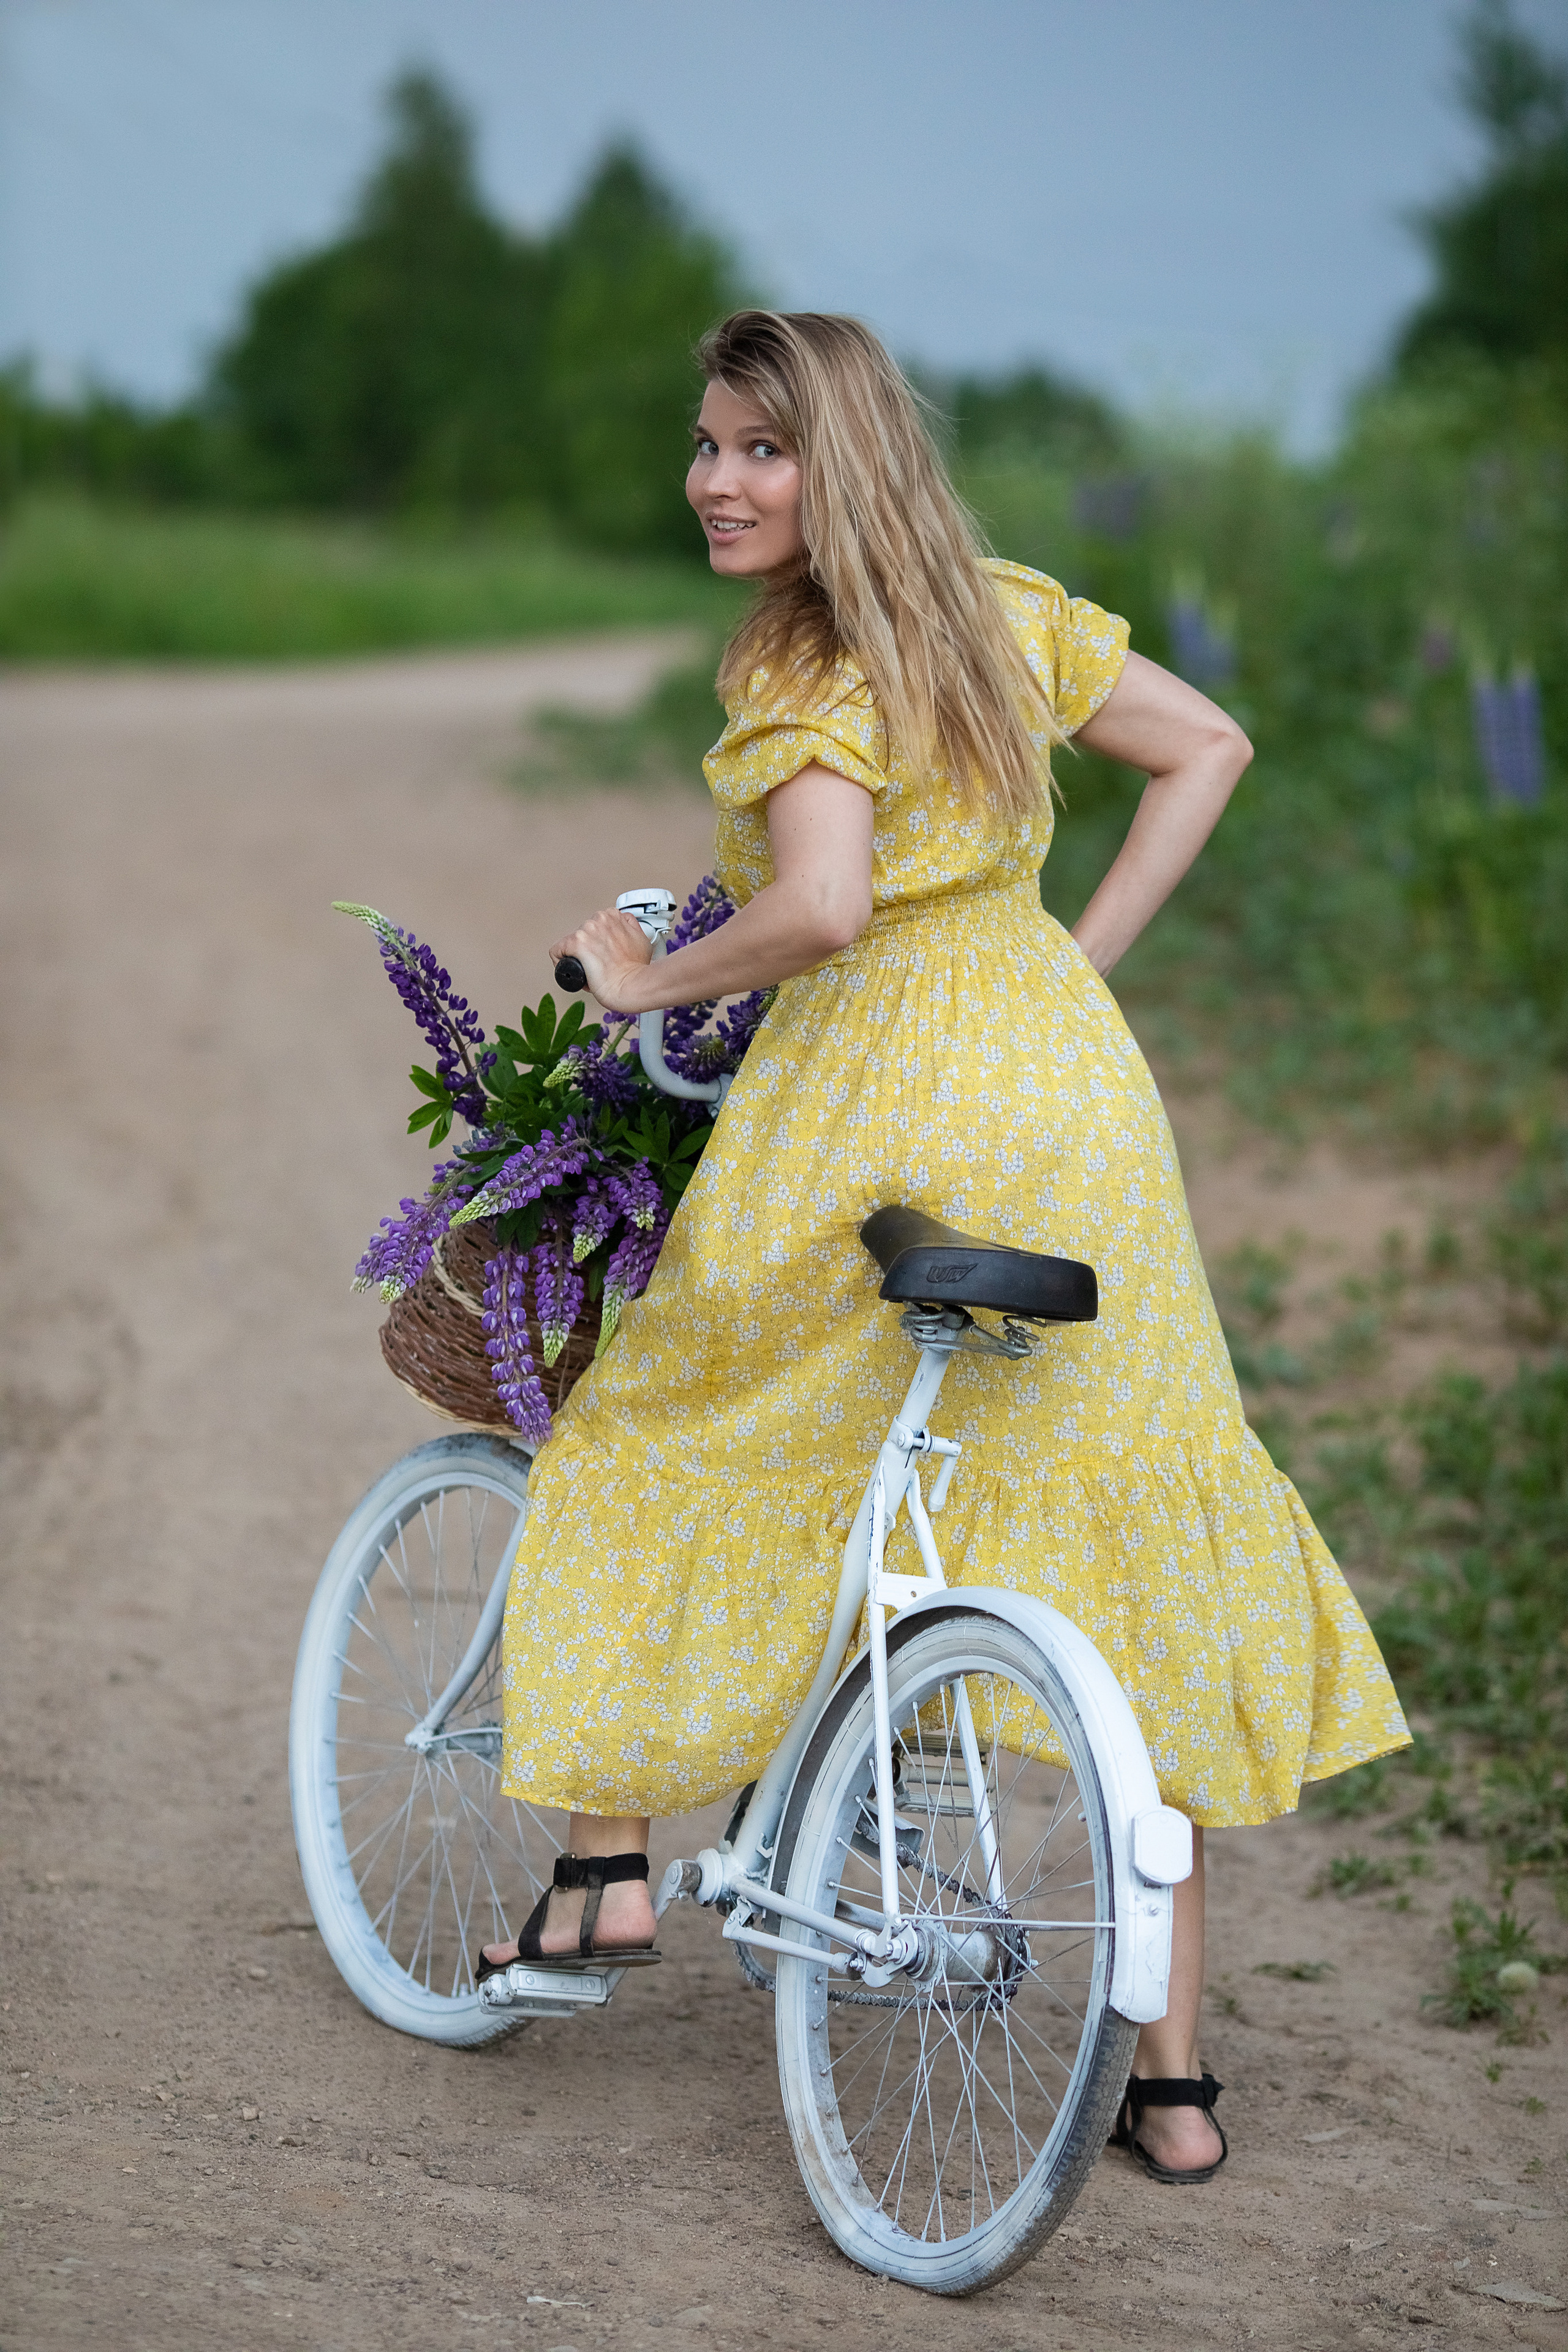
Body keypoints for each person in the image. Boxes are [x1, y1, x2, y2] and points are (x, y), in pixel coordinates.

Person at [482, 310, 1409, 2185]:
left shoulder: (802, 650)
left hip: (880, 1092)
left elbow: (825, 906)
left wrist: (648, 980)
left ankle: (605, 1866)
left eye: (761, 449)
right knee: (1124, 1499)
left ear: (838, 464)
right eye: (708, 445)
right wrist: (1071, 966)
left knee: (656, 1430)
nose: (716, 481)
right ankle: (1172, 2083)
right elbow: (1209, 746)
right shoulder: (997, 611)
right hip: (1073, 1091)